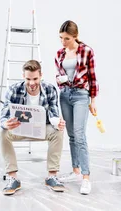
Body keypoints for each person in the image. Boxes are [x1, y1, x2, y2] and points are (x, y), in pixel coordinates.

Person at [0, 60, 66, 195]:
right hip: (20, 130)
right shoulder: (13, 90)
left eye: (35, 78)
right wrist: (6, 124)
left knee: (58, 131)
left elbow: (53, 113)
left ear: (41, 75)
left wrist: (57, 122)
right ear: (23, 76)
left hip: (40, 129)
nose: (32, 83)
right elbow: (4, 116)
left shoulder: (50, 89)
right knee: (3, 132)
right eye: (28, 79)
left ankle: (52, 176)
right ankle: (13, 178)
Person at [54, 20, 99, 195]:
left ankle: (86, 178)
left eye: (66, 39)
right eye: (61, 38)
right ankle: (76, 171)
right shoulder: (59, 53)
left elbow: (92, 77)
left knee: (80, 135)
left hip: (81, 95)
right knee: (72, 135)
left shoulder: (87, 51)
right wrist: (61, 80)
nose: (63, 42)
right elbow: (59, 75)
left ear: (75, 36)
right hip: (65, 95)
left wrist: (93, 101)